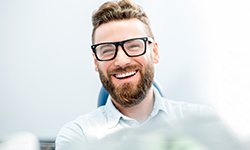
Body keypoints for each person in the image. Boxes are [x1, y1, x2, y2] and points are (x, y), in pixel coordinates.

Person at [55, 0, 216, 149]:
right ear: (96, 62)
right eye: (107, 50)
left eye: (133, 46)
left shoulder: (202, 122)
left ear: (154, 52)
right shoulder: (78, 136)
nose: (122, 61)